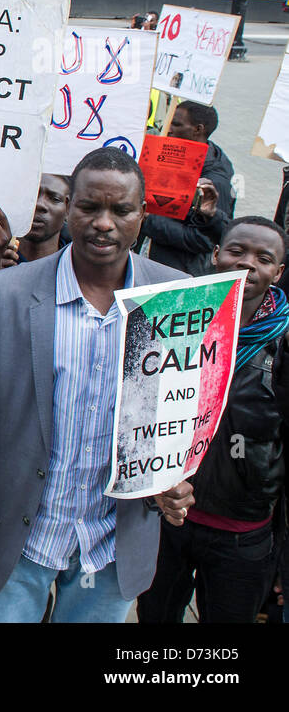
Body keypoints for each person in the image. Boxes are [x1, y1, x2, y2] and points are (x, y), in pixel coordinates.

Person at [0, 147, 195, 622]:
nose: (103, 223)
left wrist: (174, 478)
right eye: (89, 207)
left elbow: (183, 412)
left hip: (111, 546)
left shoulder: (178, 300)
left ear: (142, 216)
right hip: (14, 542)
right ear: (70, 208)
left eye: (120, 210)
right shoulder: (2, 296)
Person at [137, 217, 289, 623]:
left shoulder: (283, 344)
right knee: (153, 615)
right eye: (237, 251)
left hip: (243, 534)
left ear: (278, 272)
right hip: (168, 519)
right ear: (216, 254)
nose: (247, 264)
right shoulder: (174, 318)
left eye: (263, 258)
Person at [143, 100, 234, 275]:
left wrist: (148, 220)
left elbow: (204, 240)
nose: (168, 129)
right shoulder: (180, 157)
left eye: (176, 124)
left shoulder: (214, 181)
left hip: (179, 272)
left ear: (198, 129)